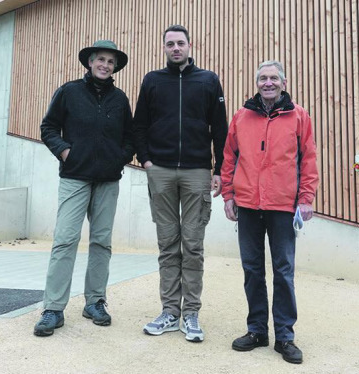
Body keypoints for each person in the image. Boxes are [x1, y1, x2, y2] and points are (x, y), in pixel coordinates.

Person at [133, 24, 228, 342]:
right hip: (159, 170)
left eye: (180, 43)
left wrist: (219, 170)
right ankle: (170, 311)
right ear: (164, 48)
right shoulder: (152, 81)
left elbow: (220, 128)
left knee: (193, 246)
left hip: (197, 173)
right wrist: (146, 161)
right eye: (170, 44)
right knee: (167, 245)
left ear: (190, 45)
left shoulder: (208, 80)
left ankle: (191, 315)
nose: (176, 48)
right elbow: (139, 125)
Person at [34, 40, 135, 337]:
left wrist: (120, 157)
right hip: (74, 178)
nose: (105, 65)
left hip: (107, 180)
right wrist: (66, 152)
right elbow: (48, 128)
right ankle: (53, 308)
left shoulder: (120, 99)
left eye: (110, 62)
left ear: (114, 67)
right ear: (89, 63)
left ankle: (95, 302)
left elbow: (130, 136)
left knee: (102, 243)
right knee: (65, 240)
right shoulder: (69, 92)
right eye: (100, 59)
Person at [221, 60, 319, 364]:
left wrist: (306, 198)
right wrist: (228, 194)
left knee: (283, 271)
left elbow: (308, 159)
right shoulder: (242, 116)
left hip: (283, 206)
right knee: (252, 270)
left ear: (284, 83)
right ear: (256, 83)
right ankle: (257, 330)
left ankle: (285, 335)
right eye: (263, 78)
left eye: (274, 78)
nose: (268, 82)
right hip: (249, 205)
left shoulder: (298, 116)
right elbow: (228, 158)